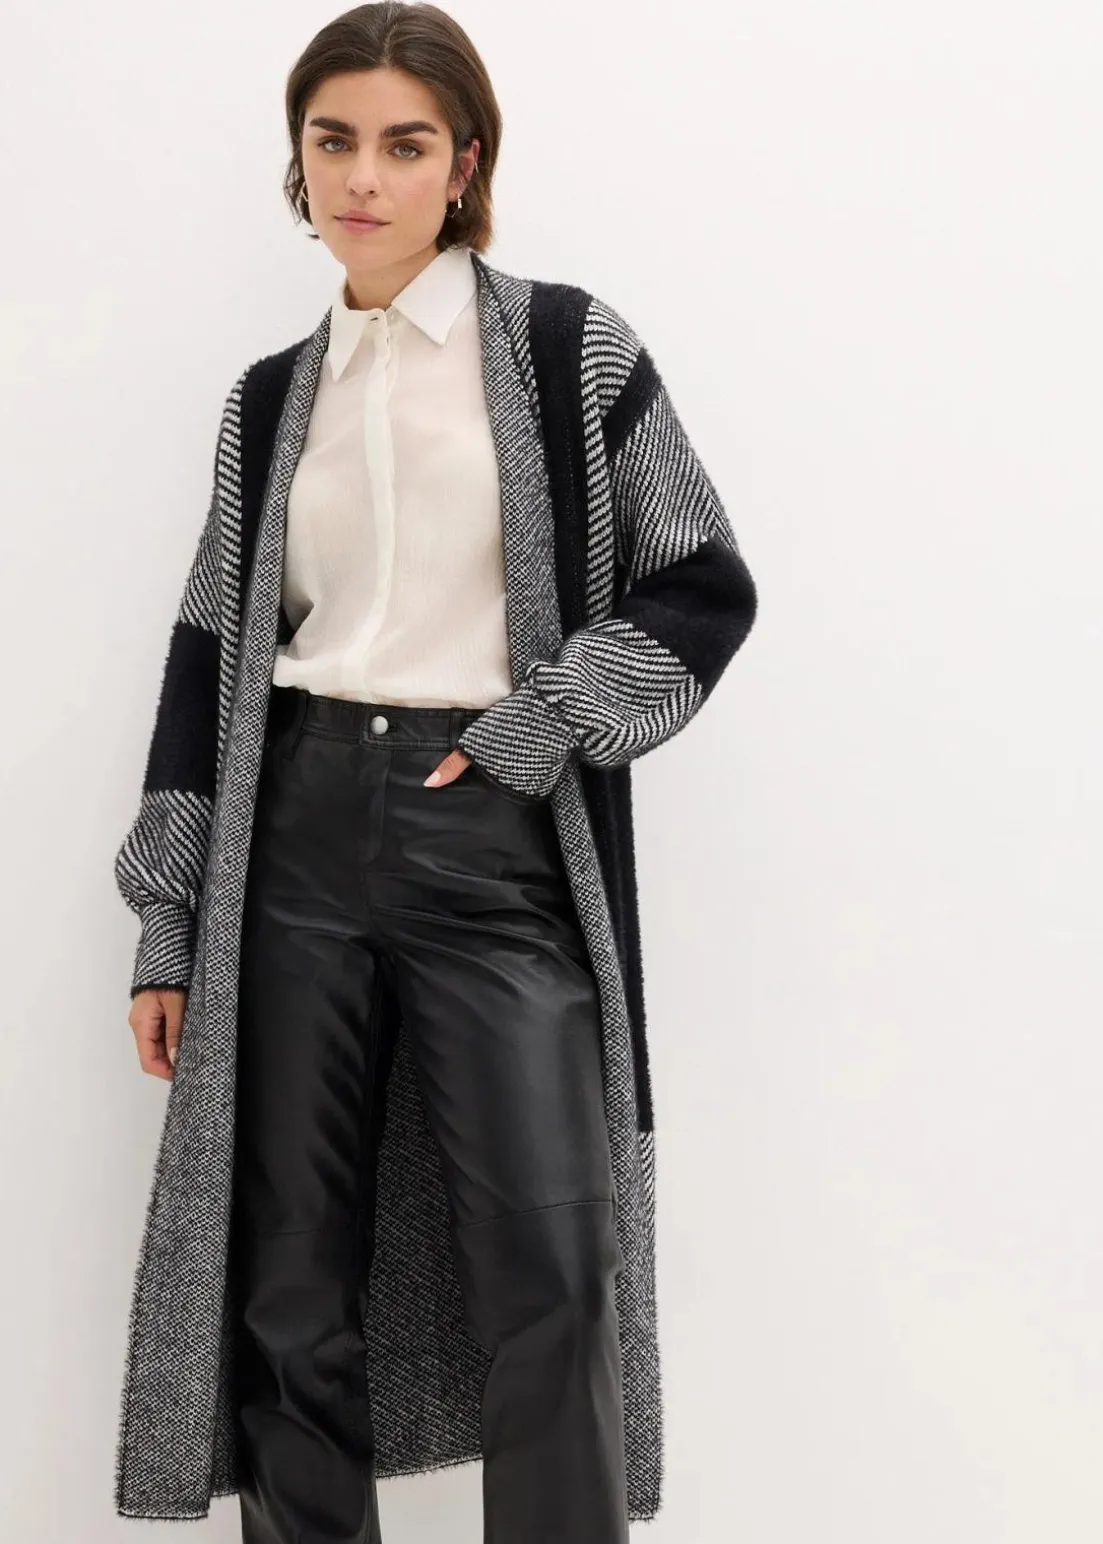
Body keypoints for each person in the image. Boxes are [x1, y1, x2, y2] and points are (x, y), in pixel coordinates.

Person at [114, 4, 758, 1540]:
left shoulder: (564, 348)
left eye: (404, 144)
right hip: (293, 843)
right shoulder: (270, 398)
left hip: (491, 840)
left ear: (463, 164)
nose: (364, 177)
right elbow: (211, 652)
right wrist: (170, 926)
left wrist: (543, 725)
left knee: (553, 1264)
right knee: (286, 1279)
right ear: (299, 159)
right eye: (332, 140)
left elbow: (700, 580)